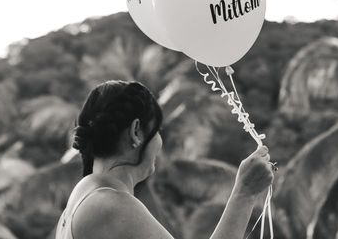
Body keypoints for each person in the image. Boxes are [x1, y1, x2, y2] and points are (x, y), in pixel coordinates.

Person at [55, 80, 275, 239]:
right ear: (136, 132)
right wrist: (244, 193)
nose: (160, 142)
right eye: (158, 130)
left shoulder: (83, 193)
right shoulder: (110, 204)